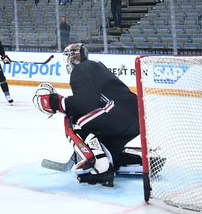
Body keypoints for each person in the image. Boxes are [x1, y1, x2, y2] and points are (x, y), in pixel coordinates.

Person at [34, 44, 145, 187]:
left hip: (120, 111)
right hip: (135, 114)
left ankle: (102, 168)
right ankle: (120, 159)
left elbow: (85, 103)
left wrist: (58, 103)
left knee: (77, 123)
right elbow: (92, 100)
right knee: (103, 139)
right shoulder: (93, 66)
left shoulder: (81, 69)